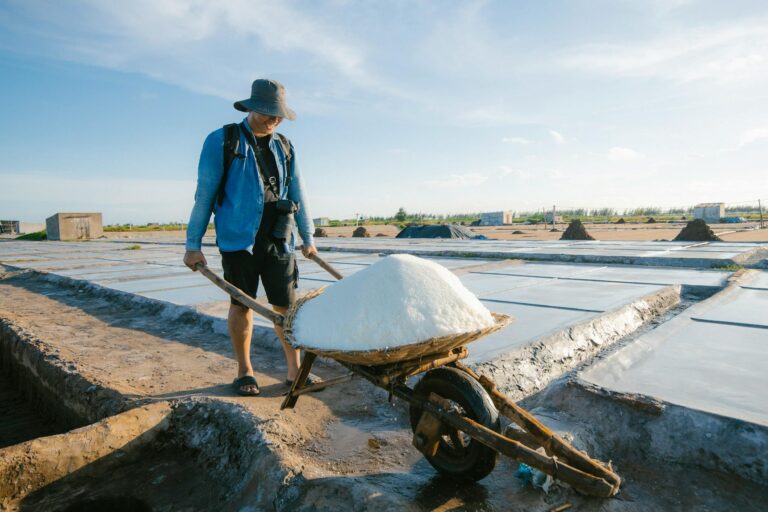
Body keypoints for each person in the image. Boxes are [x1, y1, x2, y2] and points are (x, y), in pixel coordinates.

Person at [183, 79, 317, 396]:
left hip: (278, 238)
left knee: (286, 307)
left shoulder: (285, 146)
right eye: (269, 112)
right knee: (241, 305)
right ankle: (245, 371)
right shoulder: (223, 141)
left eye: (279, 114)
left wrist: (307, 236)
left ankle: (294, 371)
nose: (274, 119)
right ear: (252, 107)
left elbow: (299, 191)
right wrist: (193, 246)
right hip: (238, 239)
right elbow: (204, 195)